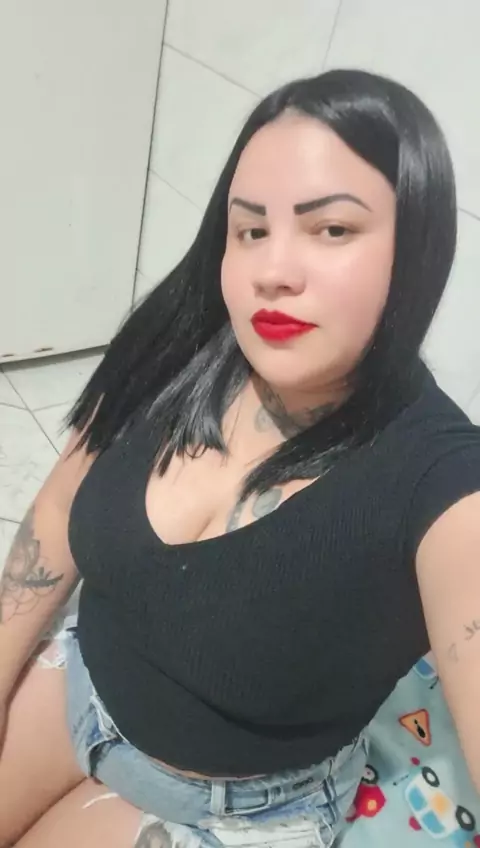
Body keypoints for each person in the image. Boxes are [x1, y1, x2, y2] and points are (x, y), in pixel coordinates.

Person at [0, 67, 479, 848]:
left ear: (416, 248)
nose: (272, 271)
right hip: (82, 685)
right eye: (251, 229)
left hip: (230, 806)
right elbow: (58, 508)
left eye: (332, 229)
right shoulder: (183, 341)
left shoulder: (446, 487)